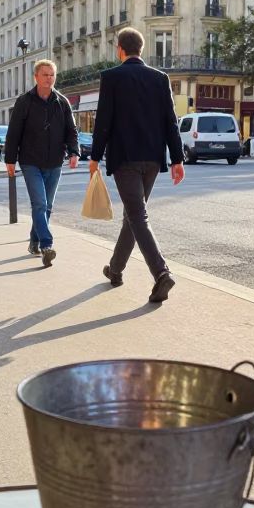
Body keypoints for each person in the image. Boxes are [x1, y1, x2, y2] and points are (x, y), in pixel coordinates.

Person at [90, 26, 184, 303]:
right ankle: (115, 270)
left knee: (137, 216)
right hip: (154, 159)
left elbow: (103, 122)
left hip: (125, 159)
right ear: (141, 49)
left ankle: (161, 273)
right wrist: (177, 159)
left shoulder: (111, 78)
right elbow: (171, 121)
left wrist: (94, 157)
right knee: (133, 215)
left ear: (120, 49)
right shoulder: (160, 78)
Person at [4, 59, 80, 267]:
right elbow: (14, 133)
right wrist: (10, 159)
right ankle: (47, 245)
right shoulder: (24, 102)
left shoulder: (62, 102)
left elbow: (71, 131)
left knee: (47, 207)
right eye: (45, 74)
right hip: (30, 162)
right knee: (39, 204)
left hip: (55, 161)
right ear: (36, 77)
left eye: (52, 74)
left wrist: (74, 151)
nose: (49, 78)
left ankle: (34, 240)